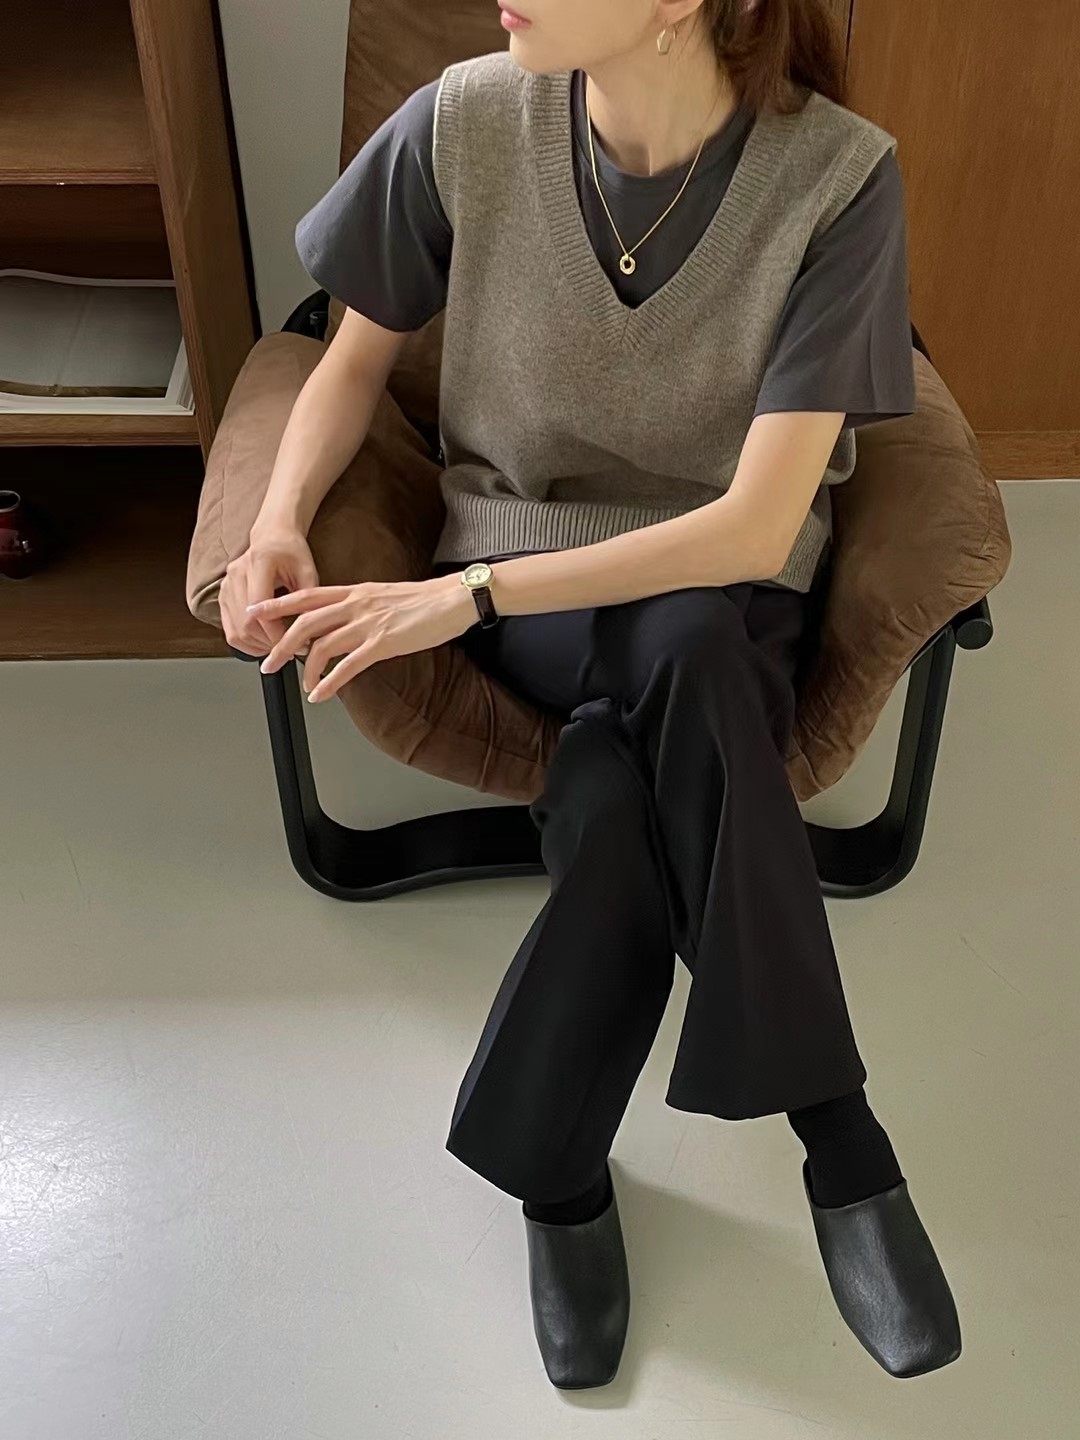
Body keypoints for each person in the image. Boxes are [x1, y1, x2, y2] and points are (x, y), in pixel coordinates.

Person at [222, 0, 961, 1393]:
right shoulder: (461, 124)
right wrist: (276, 521)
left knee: (634, 770)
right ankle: (843, 1140)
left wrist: (467, 602)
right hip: (539, 574)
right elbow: (350, 359)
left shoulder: (839, 180)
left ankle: (558, 1178)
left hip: (721, 583)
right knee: (688, 664)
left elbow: (754, 528)